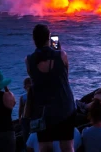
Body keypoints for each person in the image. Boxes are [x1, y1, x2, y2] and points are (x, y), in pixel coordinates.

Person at [25, 24, 76, 152]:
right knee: (67, 146)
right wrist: (58, 50)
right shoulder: (62, 55)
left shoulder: (29, 60)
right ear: (49, 37)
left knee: (44, 147)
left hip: (43, 110)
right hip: (64, 106)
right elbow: (65, 78)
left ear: (34, 39)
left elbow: (35, 79)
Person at [19, 77, 32, 148]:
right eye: (27, 86)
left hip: (32, 117)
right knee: (25, 134)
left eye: (30, 86)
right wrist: (19, 117)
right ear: (24, 87)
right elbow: (20, 108)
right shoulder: (23, 97)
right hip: (25, 119)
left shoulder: (34, 96)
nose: (28, 88)